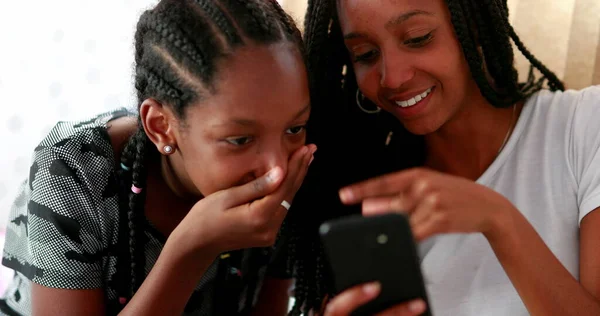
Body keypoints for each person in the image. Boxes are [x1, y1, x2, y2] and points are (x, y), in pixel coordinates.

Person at [0, 0, 317, 315]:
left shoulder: (296, 171)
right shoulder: (72, 173)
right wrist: (191, 250)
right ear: (161, 127)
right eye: (240, 139)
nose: (277, 167)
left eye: (294, 128)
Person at [297, 0, 600, 315]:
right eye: (366, 54)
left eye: (418, 38)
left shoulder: (586, 125)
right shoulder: (371, 207)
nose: (393, 78)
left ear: (474, 25)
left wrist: (499, 220)